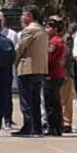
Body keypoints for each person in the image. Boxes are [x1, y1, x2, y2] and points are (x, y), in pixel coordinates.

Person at [13, 8, 53, 136]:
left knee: (26, 100)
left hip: (27, 69)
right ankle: (37, 128)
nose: (21, 18)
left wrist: (11, 60)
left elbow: (20, 48)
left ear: (30, 16)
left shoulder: (29, 30)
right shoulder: (43, 30)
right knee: (36, 100)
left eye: (24, 16)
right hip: (40, 69)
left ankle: (28, 127)